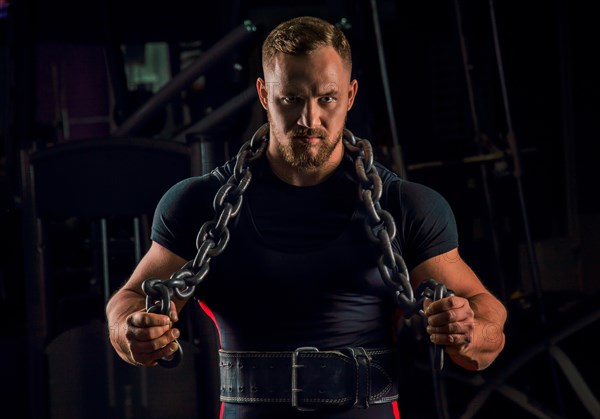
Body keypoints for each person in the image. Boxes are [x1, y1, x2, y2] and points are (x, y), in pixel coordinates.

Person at [106, 15, 507, 419]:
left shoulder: (407, 206)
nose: (309, 120)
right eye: (291, 99)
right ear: (264, 94)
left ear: (350, 95)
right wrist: (133, 331)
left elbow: (485, 324)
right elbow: (129, 301)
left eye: (326, 99)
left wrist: (468, 330)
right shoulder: (197, 204)